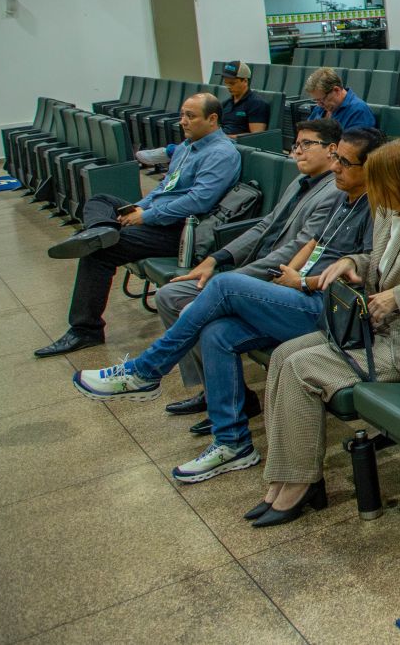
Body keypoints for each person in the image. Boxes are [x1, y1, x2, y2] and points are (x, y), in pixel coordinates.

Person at [72, 128, 380, 484]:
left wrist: (303, 281)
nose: (336, 166)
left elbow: (364, 268)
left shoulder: (375, 207)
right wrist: (293, 272)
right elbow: (313, 241)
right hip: (297, 293)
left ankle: (145, 371)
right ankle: (233, 443)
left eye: (344, 161)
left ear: (370, 167)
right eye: (337, 158)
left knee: (224, 284)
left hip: (328, 310)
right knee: (217, 332)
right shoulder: (345, 196)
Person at [250, 138, 400, 526]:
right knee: (285, 354)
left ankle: (301, 483)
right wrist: (352, 262)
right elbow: (380, 259)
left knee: (303, 369)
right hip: (371, 330)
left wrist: (397, 297)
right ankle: (284, 476)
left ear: (399, 179)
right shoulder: (390, 207)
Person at [152, 118, 346, 435]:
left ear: (332, 149)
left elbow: (296, 251)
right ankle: (215, 391)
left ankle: (213, 393)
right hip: (253, 269)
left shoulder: (333, 192)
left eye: (306, 144)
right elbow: (264, 225)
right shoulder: (300, 181)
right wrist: (217, 259)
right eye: (295, 144)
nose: (297, 151)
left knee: (198, 310)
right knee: (168, 297)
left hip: (276, 279)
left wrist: (234, 280)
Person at [37, 94, 242, 357]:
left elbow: (198, 201)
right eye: (182, 114)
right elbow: (163, 188)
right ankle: (102, 230)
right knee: (101, 200)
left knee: (99, 252)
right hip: (159, 217)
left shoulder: (221, 153)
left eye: (190, 116)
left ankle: (86, 329)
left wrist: (146, 217)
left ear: (212, 119)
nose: (183, 122)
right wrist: (140, 207)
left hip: (182, 230)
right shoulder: (186, 148)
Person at [137, 61, 270, 169]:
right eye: (226, 82)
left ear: (245, 81)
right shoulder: (226, 103)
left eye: (232, 83)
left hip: (233, 143)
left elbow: (256, 135)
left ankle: (170, 152)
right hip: (219, 138)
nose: (228, 86)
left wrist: (224, 136)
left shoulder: (256, 103)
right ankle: (174, 158)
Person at [303, 67, 375, 131]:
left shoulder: (358, 111)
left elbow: (353, 145)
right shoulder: (320, 107)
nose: (319, 104)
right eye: (316, 100)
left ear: (336, 90)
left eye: (322, 99)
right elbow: (307, 133)